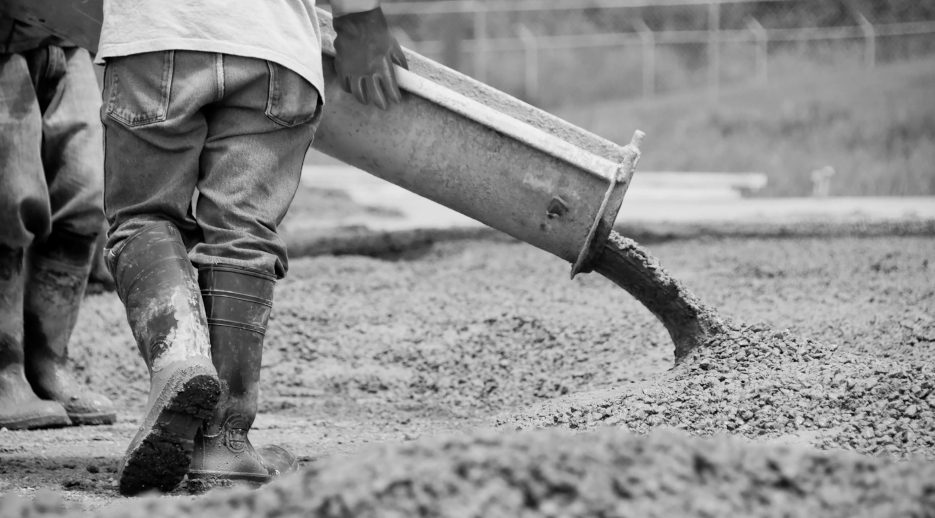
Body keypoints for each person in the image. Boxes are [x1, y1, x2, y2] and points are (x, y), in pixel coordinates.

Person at [96, 0, 407, 495]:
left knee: (145, 217)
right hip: (272, 43)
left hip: (155, 34)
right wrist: (360, 18)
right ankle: (223, 441)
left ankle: (179, 360)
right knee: (242, 235)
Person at [0, 16, 117, 430]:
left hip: (69, 30)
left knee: (85, 192)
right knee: (10, 197)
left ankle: (49, 362)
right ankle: (5, 368)